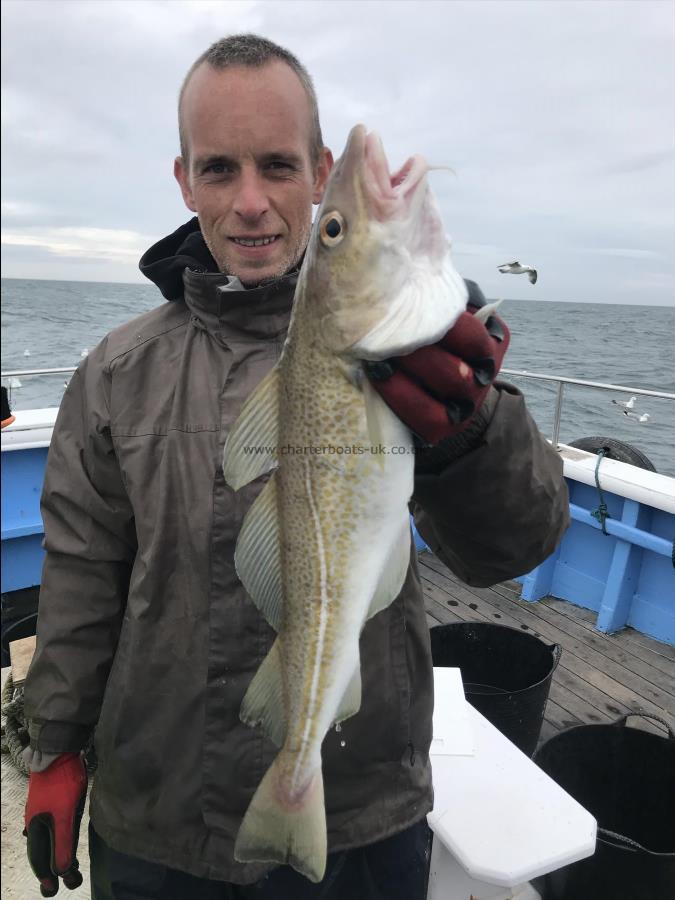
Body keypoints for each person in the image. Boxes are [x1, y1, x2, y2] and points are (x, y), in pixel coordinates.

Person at [22, 34, 569, 900]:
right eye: (218, 169)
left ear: (318, 174)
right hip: (158, 817)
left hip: (361, 808)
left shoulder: (411, 353)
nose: (249, 202)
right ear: (182, 179)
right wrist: (54, 746)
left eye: (277, 165)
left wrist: (471, 436)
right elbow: (84, 574)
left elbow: (513, 546)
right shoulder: (117, 373)